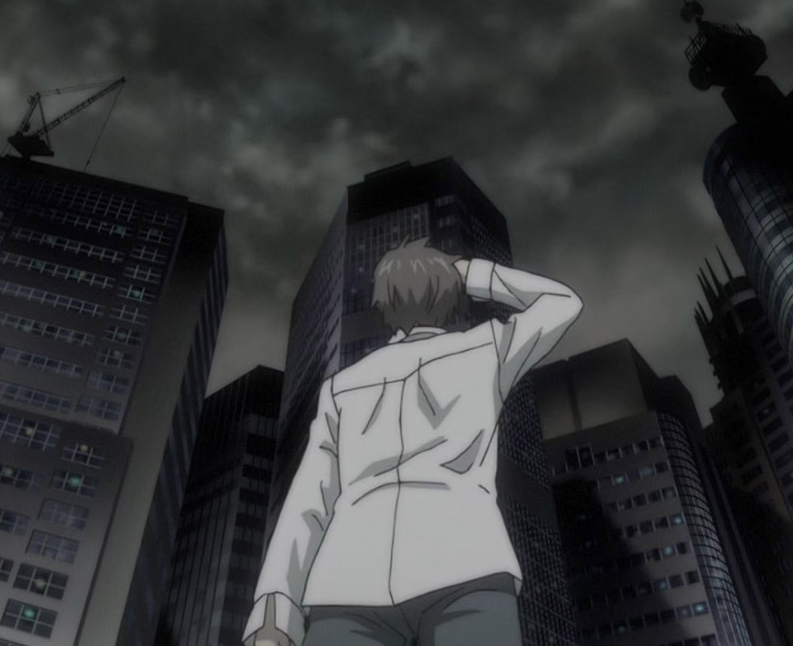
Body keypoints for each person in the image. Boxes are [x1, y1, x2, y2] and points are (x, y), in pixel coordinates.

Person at [243, 237, 583, 646]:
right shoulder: (485, 350)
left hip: (348, 581)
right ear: (450, 295)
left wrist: (275, 610)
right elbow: (562, 302)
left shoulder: (342, 386)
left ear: (384, 303)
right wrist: (468, 273)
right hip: (465, 564)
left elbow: (310, 501)